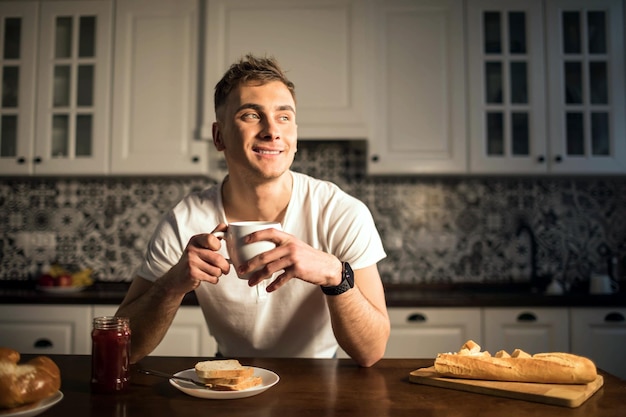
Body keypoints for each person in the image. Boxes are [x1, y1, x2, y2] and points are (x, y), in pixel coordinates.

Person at [116, 54, 390, 367]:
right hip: (229, 380)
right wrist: (171, 285)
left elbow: (371, 352)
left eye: (284, 117)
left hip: (321, 379)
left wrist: (334, 274)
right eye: (251, 115)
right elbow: (125, 350)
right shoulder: (186, 220)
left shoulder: (342, 213)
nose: (272, 131)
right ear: (219, 136)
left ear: (295, 136)